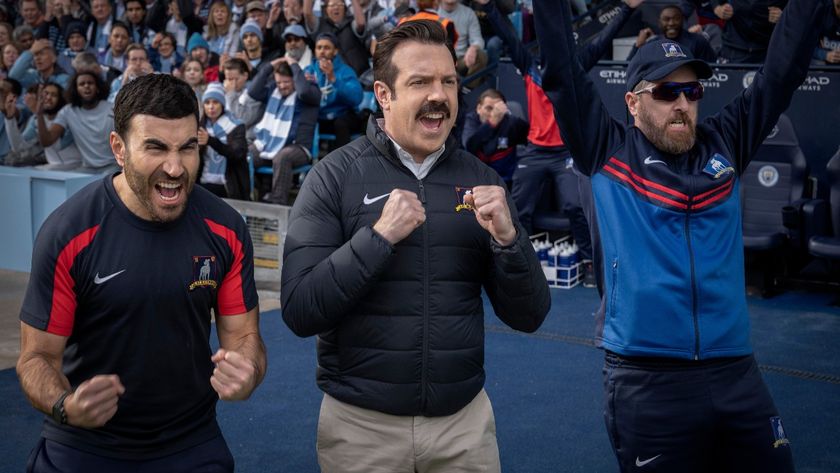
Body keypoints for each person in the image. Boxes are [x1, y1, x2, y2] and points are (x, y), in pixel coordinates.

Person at [532, 0, 829, 470]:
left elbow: (781, 72)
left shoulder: (725, 141)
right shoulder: (607, 148)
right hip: (647, 380)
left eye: (692, 92)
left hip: (736, 371)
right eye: (667, 91)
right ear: (633, 102)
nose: (682, 104)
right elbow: (562, 72)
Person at [281, 19, 550, 473]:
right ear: (383, 95)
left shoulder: (482, 179)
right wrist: (378, 238)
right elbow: (301, 310)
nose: (439, 95)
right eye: (420, 82)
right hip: (361, 430)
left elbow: (530, 315)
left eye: (448, 81)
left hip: (464, 428)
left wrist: (510, 241)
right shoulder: (333, 177)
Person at [16, 72, 266, 471]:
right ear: (119, 148)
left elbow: (244, 337)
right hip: (85, 441)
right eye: (155, 147)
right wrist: (66, 405)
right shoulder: (68, 233)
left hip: (191, 438)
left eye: (187, 147)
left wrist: (247, 370)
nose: (175, 168)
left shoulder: (226, 229)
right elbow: (37, 357)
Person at [475, 0, 640, 289]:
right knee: (518, 207)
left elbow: (601, 41)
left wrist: (626, 9)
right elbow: (508, 36)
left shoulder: (573, 68)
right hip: (535, 152)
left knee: (576, 206)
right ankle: (519, 261)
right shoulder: (529, 65)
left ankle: (589, 263)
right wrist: (489, 7)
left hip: (566, 152)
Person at [247, 56, 320, 204]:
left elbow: (303, 92)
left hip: (298, 147)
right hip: (269, 145)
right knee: (245, 154)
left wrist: (294, 65)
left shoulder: (311, 92)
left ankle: (278, 204)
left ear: (295, 80)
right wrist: (271, 64)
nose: (282, 86)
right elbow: (253, 91)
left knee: (282, 157)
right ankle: (250, 197)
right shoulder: (273, 91)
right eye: (279, 82)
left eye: (286, 82)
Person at [37, 69, 117, 172]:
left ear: (97, 88)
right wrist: (39, 114)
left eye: (90, 83)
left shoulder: (112, 109)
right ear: (75, 90)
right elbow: (47, 141)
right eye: (81, 84)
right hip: (87, 168)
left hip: (112, 165)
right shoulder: (68, 111)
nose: (86, 86)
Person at [303, 31, 362, 149]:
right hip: (320, 116)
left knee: (341, 123)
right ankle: (304, 156)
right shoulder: (308, 71)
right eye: (319, 47)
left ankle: (343, 159)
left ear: (335, 51)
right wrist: (304, 85)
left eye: (327, 48)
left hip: (341, 115)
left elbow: (357, 98)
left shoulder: (345, 71)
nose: (322, 51)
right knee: (303, 119)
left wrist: (333, 79)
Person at [4, 82, 82, 167]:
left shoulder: (69, 116)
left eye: (54, 95)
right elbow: (19, 147)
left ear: (60, 100)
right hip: (52, 166)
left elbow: (57, 146)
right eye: (45, 94)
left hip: (76, 165)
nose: (48, 98)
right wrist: (10, 119)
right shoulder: (35, 119)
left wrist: (39, 115)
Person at [462, 88, 528, 188]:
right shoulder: (471, 120)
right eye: (489, 108)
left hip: (505, 182)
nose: (493, 114)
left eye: (497, 110)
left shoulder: (512, 123)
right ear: (479, 108)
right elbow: (470, 145)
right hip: (476, 181)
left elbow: (532, 141)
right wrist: (491, 123)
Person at [197, 82, 249, 199]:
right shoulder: (200, 126)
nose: (211, 107)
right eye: (207, 103)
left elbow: (238, 154)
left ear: (222, 104)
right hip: (203, 180)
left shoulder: (236, 126)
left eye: (215, 102)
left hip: (229, 185)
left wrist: (211, 141)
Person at [627, 4, 717, 62]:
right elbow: (627, 68)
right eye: (666, 19)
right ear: (659, 22)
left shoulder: (698, 41)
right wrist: (638, 45)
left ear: (682, 20)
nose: (671, 23)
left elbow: (713, 69)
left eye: (676, 19)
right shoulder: (653, 44)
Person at [303, 0, 370, 76]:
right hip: (335, 78)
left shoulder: (351, 23)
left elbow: (361, 24)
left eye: (340, 4)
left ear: (345, 8)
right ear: (326, 9)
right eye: (332, 5)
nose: (336, 8)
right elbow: (307, 14)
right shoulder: (320, 26)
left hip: (362, 75)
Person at [712, 0, 787, 63]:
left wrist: (784, 16)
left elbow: (792, 13)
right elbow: (715, 3)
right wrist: (718, 8)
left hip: (768, 51)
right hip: (733, 48)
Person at [438, 0, 487, 85]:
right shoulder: (430, 12)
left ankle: (467, 89)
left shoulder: (468, 13)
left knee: (480, 56)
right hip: (436, 60)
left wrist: (473, 48)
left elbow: (478, 39)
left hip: (460, 60)